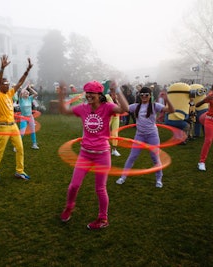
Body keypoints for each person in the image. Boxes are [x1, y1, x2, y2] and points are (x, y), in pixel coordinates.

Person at [59, 80, 129, 230]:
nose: (89, 95)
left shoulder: (108, 107)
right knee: (74, 185)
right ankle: (69, 206)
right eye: (87, 92)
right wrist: (61, 95)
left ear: (99, 94)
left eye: (92, 93)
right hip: (85, 154)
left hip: (102, 154)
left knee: (100, 188)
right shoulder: (83, 108)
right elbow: (64, 111)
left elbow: (125, 108)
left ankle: (103, 218)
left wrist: (116, 90)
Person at [115, 86, 174, 188]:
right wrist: (117, 97)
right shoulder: (136, 106)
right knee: (132, 156)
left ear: (150, 96)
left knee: (155, 157)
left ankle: (159, 179)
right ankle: (123, 177)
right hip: (140, 135)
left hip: (152, 135)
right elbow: (124, 108)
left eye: (146, 95)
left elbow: (172, 110)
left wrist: (167, 99)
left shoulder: (155, 106)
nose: (144, 97)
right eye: (142, 95)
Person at [0, 55, 33, 182]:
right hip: (3, 127)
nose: (8, 86)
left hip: (13, 126)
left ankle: (19, 171)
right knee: (0, 151)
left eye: (9, 84)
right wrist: (2, 69)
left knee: (20, 148)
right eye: (6, 84)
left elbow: (19, 83)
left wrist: (27, 70)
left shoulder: (9, 94)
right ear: (1, 85)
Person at [196, 85, 213, 171]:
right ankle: (201, 162)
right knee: (208, 140)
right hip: (210, 120)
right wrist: (206, 99)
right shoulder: (211, 95)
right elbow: (197, 105)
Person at [18, 85, 39, 149]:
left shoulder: (30, 98)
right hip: (23, 117)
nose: (27, 93)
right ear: (23, 94)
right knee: (22, 132)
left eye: (27, 93)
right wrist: (26, 86)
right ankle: (17, 145)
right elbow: (21, 92)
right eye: (25, 93)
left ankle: (34, 144)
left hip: (30, 117)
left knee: (33, 131)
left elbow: (36, 94)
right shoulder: (21, 99)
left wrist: (29, 88)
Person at [105, 79, 121, 156]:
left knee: (115, 133)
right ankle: (104, 148)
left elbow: (122, 106)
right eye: (113, 85)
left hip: (116, 116)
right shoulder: (107, 96)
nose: (114, 87)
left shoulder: (118, 96)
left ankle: (114, 150)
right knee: (104, 132)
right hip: (108, 116)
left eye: (115, 85)